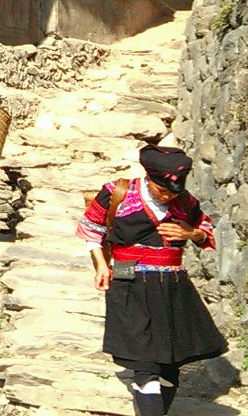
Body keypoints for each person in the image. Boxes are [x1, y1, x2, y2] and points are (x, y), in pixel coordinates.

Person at [76, 146, 228, 416]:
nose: (168, 196)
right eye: (163, 191)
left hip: (171, 287)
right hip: (128, 282)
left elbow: (205, 230)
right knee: (145, 365)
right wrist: (101, 266)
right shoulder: (117, 193)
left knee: (169, 365)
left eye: (173, 192)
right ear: (149, 178)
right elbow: (92, 228)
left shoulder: (185, 203)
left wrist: (190, 233)